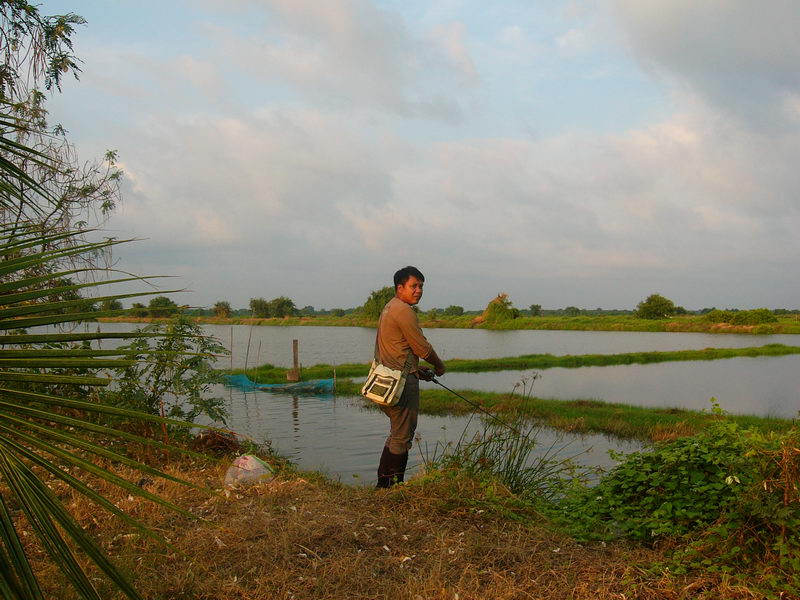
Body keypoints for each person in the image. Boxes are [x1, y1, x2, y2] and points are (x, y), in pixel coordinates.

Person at [374, 265, 446, 488]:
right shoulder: (404, 311)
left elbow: (399, 349)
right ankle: (393, 486)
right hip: (401, 384)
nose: (419, 291)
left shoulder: (390, 307)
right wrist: (439, 366)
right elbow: (422, 348)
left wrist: (418, 369)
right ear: (400, 287)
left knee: (397, 434)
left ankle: (383, 486)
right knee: (403, 437)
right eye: (414, 286)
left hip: (386, 380)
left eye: (421, 286)